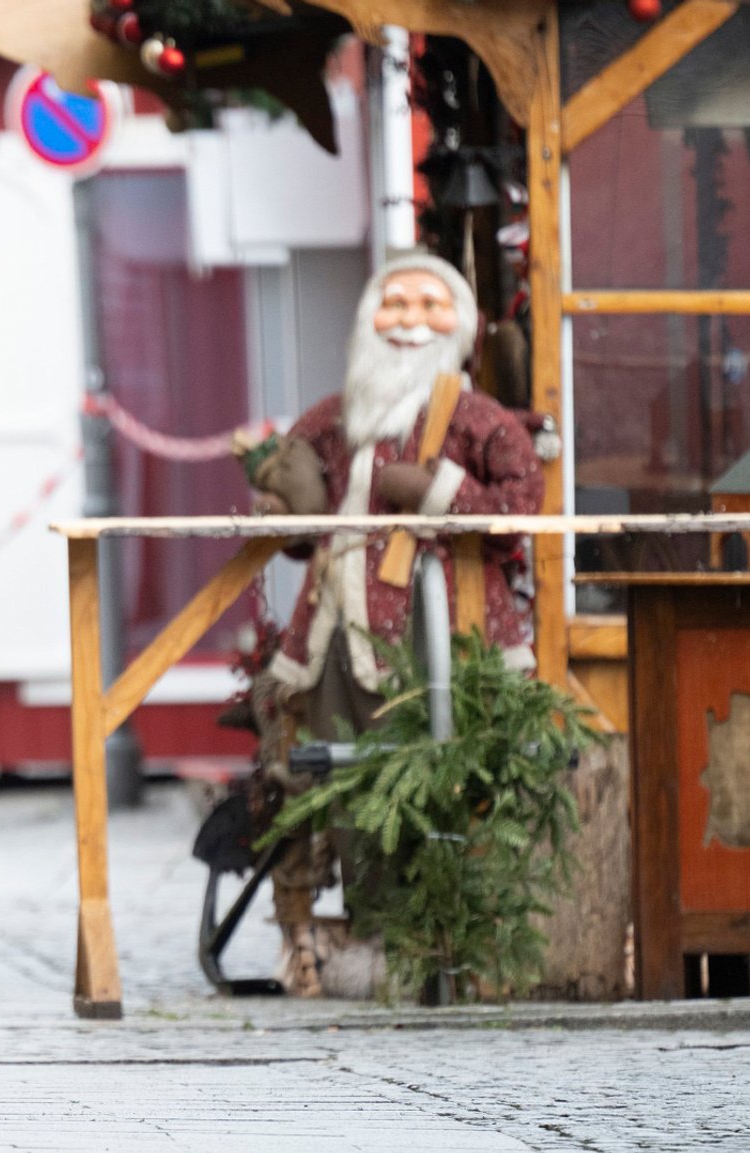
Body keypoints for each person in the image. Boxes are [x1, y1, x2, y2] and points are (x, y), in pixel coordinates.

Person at [244, 251, 543, 996]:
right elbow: (290, 486)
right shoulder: (339, 414)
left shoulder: (478, 419)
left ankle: (453, 938)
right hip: (338, 633)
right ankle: (374, 935)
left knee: (444, 782)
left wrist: (439, 489)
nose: (410, 321)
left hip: (444, 633)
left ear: (462, 325)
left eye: (428, 305)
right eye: (395, 303)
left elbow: (522, 508)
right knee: (346, 784)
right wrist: (282, 507)